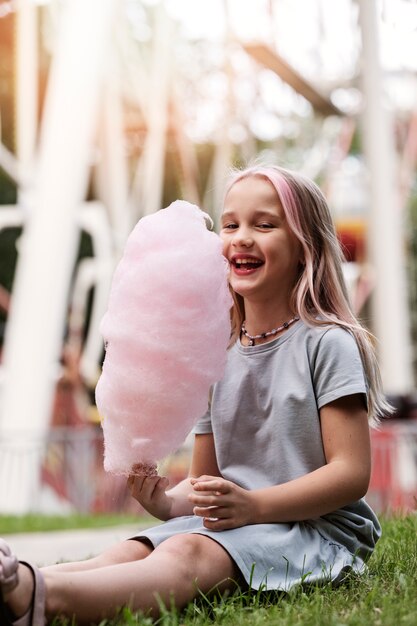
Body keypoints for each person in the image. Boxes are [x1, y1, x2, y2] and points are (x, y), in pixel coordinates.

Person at [0, 164, 390, 626]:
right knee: (132, 549)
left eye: (264, 225)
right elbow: (206, 482)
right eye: (230, 225)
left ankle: (38, 598)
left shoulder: (328, 343)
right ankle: (26, 581)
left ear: (306, 246)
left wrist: (254, 506)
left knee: (185, 550)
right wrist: (166, 503)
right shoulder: (214, 353)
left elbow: (351, 474)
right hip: (243, 524)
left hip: (317, 530)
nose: (241, 237)